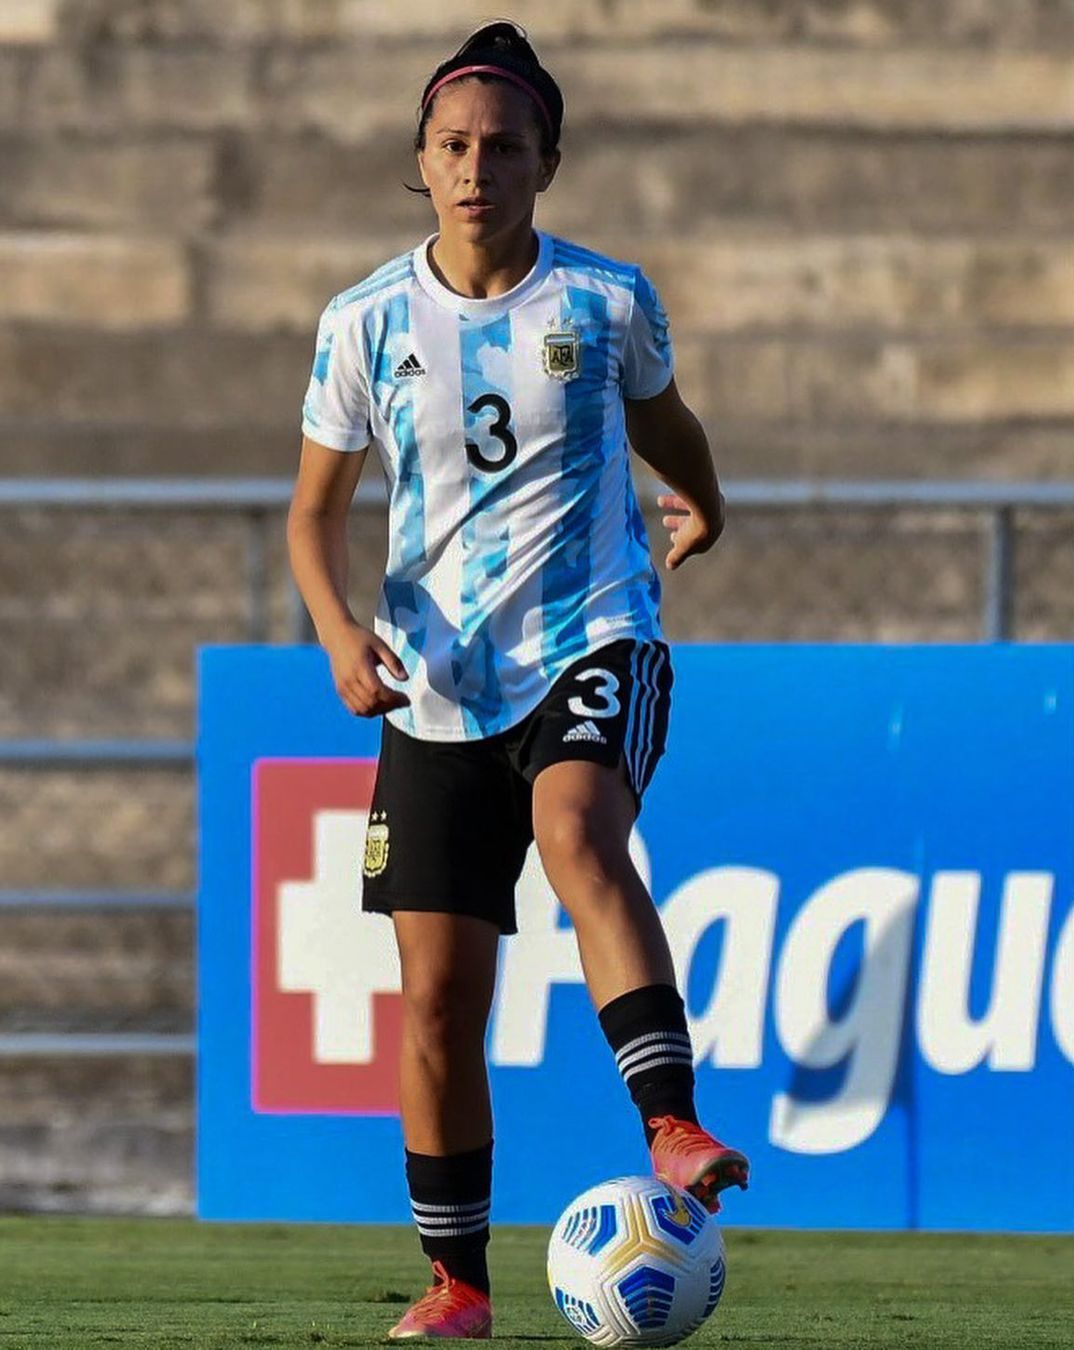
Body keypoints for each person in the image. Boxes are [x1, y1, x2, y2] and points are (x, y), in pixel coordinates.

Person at [287, 21, 749, 1340]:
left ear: (548, 159)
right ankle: (459, 1282)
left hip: (590, 636)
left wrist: (701, 503)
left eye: (503, 145)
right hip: (435, 677)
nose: (476, 165)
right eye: (452, 145)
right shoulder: (364, 322)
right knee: (436, 995)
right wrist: (335, 632)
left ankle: (668, 1120)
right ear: (419, 164)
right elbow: (312, 514)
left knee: (575, 827)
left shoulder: (604, 300)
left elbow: (668, 427)